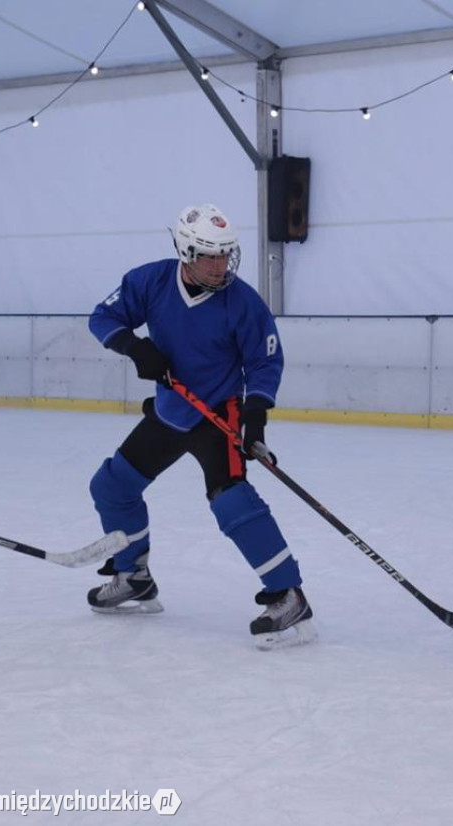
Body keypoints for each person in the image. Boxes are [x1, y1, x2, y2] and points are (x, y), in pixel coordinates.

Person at [85, 203, 315, 650]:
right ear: (186, 252)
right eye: (210, 256)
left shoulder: (242, 301)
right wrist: (137, 348)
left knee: (231, 502)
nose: (220, 265)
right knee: (112, 487)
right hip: (172, 410)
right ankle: (134, 574)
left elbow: (265, 360)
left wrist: (255, 417)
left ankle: (289, 596)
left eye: (226, 254)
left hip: (218, 416)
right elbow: (102, 317)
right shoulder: (150, 281)